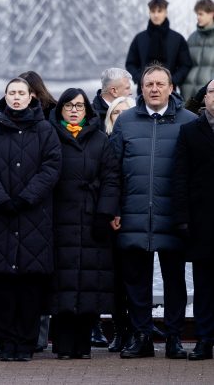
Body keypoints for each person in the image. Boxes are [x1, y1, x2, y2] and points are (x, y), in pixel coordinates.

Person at [110, 64, 195, 359]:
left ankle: (173, 337)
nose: (155, 89)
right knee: (136, 280)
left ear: (171, 88)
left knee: (174, 280)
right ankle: (142, 336)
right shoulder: (125, 122)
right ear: (141, 89)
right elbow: (113, 170)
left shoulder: (189, 122)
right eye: (149, 84)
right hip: (133, 215)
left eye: (160, 84)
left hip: (174, 217)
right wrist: (113, 209)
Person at [0, 77, 61, 362]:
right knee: (3, 287)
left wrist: (26, 198)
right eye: (11, 93)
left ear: (31, 98)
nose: (16, 97)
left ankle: (25, 344)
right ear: (6, 96)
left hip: (33, 216)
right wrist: (1, 198)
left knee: (30, 287)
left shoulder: (45, 130)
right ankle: (6, 342)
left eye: (21, 93)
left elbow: (51, 167)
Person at [48, 89, 120, 360]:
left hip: (92, 219)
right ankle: (63, 345)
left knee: (91, 282)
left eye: (79, 105)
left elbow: (112, 178)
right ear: (61, 111)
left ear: (88, 110)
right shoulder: (51, 136)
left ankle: (84, 344)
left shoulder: (100, 140)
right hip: (60, 219)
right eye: (68, 106)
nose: (74, 110)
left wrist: (105, 214)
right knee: (62, 285)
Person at [173, 78, 214, 361]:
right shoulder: (189, 131)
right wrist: (182, 218)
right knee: (204, 287)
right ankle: (204, 340)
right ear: (204, 97)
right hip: (203, 222)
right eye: (212, 92)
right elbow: (180, 178)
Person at [103, 94, 136, 353]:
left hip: (135, 218)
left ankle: (137, 328)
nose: (121, 118)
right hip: (110, 221)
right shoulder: (102, 143)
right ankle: (119, 328)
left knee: (134, 277)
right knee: (114, 280)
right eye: (116, 113)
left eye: (126, 113)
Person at [125, 0, 192, 94]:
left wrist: (172, 80)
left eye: (159, 11)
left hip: (170, 91)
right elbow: (130, 63)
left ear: (166, 12)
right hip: (144, 91)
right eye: (153, 11)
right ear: (149, 13)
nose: (156, 15)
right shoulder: (140, 38)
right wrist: (140, 78)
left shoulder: (177, 38)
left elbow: (185, 64)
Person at [183, 0, 214, 99]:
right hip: (188, 94)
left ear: (211, 14)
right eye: (197, 14)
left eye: (201, 14)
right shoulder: (192, 37)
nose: (198, 17)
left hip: (209, 95)